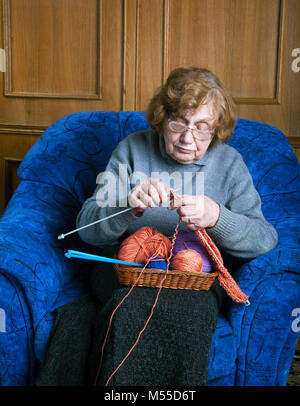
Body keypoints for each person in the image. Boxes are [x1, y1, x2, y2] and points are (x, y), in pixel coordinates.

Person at [36, 67, 278, 386]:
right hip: (124, 270)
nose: (188, 138)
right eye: (179, 122)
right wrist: (126, 206)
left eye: (202, 128)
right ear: (163, 118)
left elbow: (264, 238)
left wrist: (217, 216)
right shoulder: (132, 150)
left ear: (217, 129)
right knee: (133, 306)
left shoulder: (230, 163)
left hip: (196, 280)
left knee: (188, 314)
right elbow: (87, 229)